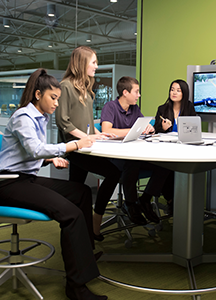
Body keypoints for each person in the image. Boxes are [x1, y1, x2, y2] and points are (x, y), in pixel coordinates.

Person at [0, 68, 107, 300]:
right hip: (7, 184)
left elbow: (28, 154)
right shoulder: (23, 116)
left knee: (82, 192)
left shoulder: (39, 117)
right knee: (70, 214)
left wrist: (50, 158)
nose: (56, 103)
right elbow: (33, 149)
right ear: (37, 95)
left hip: (23, 179)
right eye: (53, 98)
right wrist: (73, 145)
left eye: (58, 99)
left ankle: (84, 255)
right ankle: (76, 287)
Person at [55, 46, 121, 242]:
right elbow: (63, 121)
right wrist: (86, 138)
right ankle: (94, 224)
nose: (96, 66)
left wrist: (99, 134)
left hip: (85, 145)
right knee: (114, 173)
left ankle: (76, 234)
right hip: (75, 148)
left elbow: (89, 122)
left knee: (75, 188)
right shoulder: (65, 86)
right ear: (81, 63)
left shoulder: (87, 90)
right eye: (93, 62)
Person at [100, 76, 174, 225]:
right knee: (131, 163)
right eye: (137, 91)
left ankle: (145, 200)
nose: (139, 95)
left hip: (132, 156)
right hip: (115, 159)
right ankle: (131, 204)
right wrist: (133, 130)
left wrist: (149, 128)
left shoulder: (135, 109)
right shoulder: (110, 107)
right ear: (125, 92)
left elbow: (141, 127)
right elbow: (106, 130)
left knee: (165, 164)